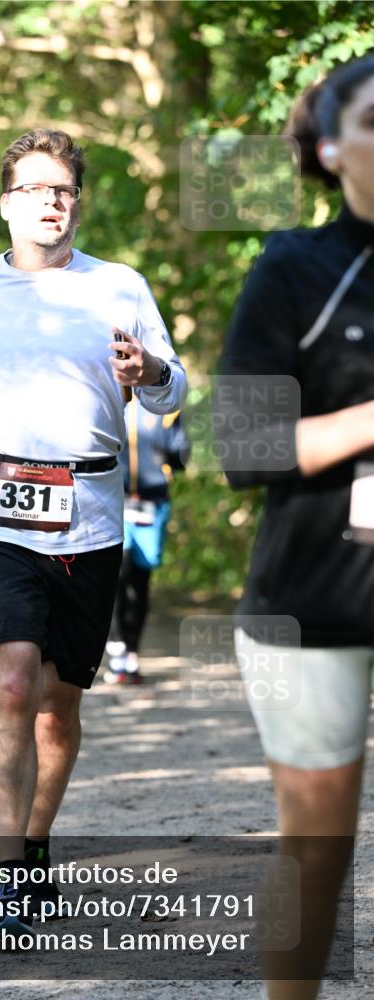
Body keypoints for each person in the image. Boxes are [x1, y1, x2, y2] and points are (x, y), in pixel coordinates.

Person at [0, 128, 187, 937]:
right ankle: (8, 877)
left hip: (90, 511)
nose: (49, 201)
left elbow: (171, 393)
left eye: (62, 189)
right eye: (33, 188)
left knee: (57, 707)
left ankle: (34, 847)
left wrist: (151, 374)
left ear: (77, 202)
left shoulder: (119, 285)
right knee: (8, 681)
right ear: (6, 204)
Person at [219, 57, 374, 999]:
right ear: (330, 147)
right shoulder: (295, 267)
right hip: (318, 597)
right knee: (319, 851)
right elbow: (243, 442)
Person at [103, 404, 189, 684]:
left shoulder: (168, 409)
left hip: (153, 504)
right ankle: (116, 644)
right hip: (116, 499)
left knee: (140, 582)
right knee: (118, 572)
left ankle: (132, 652)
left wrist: (170, 451)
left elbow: (181, 456)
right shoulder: (112, 399)